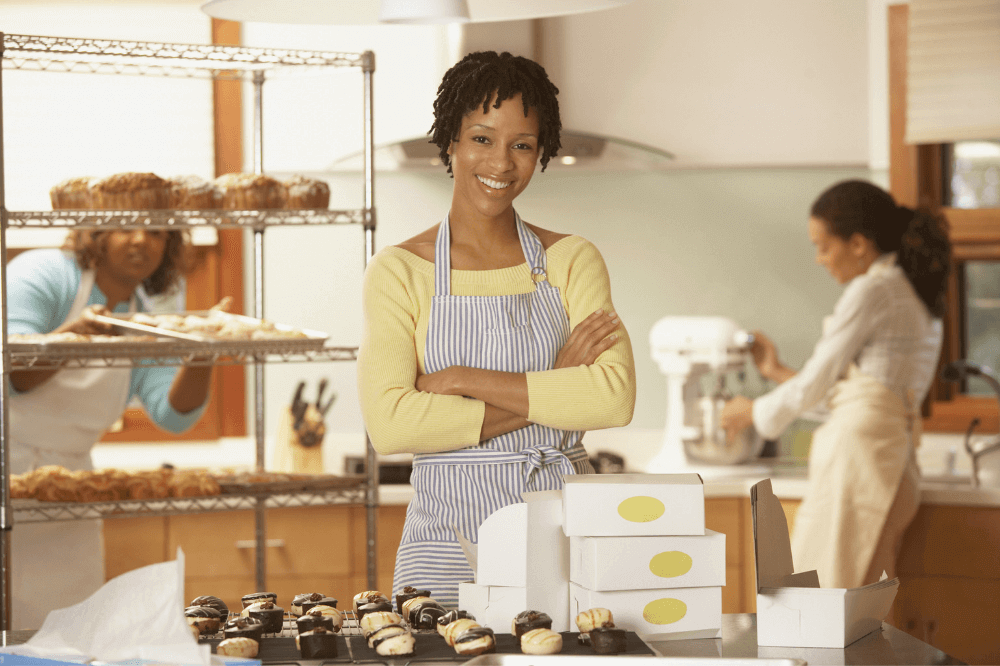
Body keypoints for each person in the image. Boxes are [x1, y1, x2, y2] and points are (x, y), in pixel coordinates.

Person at [357, 51, 636, 607]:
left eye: (522, 145)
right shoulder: (400, 270)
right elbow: (389, 424)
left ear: (541, 153)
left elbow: (612, 399)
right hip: (443, 544)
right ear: (451, 143)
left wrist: (462, 377)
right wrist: (555, 380)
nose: (501, 163)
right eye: (482, 138)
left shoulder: (571, 260)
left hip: (561, 539)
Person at [721, 179, 951, 589]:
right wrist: (776, 372)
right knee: (857, 610)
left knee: (822, 599)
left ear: (859, 244)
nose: (818, 259)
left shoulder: (873, 290)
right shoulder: (909, 291)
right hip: (890, 466)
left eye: (823, 246)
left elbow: (821, 386)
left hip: (859, 463)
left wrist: (751, 411)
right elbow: (855, 398)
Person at [7, 227, 221, 629]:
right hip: (7, 466)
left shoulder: (143, 317)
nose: (141, 240)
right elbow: (13, 374)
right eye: (125, 226)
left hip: (70, 486)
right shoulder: (43, 273)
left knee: (67, 631)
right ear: (96, 234)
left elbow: (172, 415)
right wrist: (77, 335)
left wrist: (201, 354)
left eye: (156, 231)